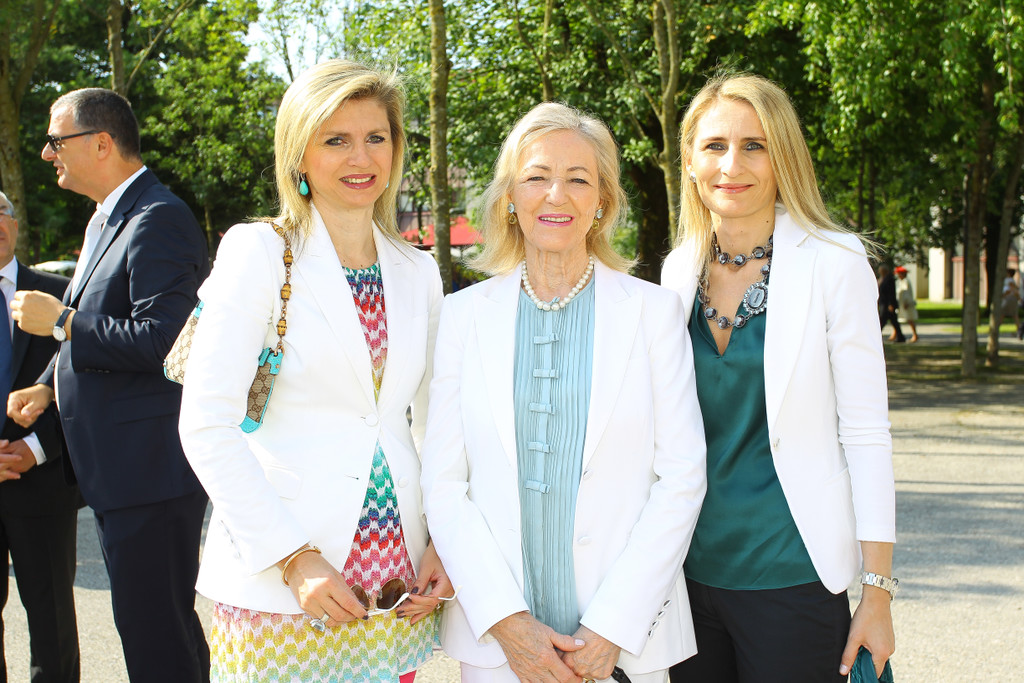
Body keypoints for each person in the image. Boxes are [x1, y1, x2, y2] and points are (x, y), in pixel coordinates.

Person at [177, 60, 452, 681]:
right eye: (336, 140)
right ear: (299, 153)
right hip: (287, 574)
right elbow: (206, 424)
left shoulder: (418, 270)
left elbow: (436, 424)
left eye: (376, 137)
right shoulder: (258, 251)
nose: (361, 157)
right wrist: (293, 557)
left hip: (394, 575)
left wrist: (444, 541)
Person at [421, 102, 707, 683]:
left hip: (623, 648)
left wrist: (613, 628)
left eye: (578, 179)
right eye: (536, 177)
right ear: (509, 196)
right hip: (499, 648)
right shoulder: (462, 316)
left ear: (602, 201)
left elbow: (682, 478)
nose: (557, 195)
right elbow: (444, 484)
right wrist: (508, 625)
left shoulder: (655, 313)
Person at [661, 73, 896, 682]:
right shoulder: (675, 273)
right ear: (689, 161)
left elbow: (866, 433)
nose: (731, 165)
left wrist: (877, 592)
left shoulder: (835, 262)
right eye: (714, 146)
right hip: (684, 578)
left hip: (793, 573)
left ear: (782, 156)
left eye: (754, 146)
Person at [8, 88, 211, 680]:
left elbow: (164, 341)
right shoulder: (110, 217)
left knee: (157, 640)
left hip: (149, 473)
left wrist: (62, 321)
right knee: (155, 632)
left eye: (55, 140)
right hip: (121, 472)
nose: (46, 153)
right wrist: (47, 385)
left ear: (101, 143)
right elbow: (104, 323)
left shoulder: (158, 217)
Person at [0, 191, 83, 682]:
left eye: (1, 213)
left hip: (44, 483)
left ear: (14, 225)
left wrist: (35, 449)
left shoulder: (60, 295)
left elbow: (83, 378)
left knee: (52, 622)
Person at [877, 264, 905, 343]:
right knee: (893, 321)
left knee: (883, 320)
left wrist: (891, 304)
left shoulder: (889, 279)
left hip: (887, 304)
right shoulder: (882, 279)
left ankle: (876, 335)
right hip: (883, 303)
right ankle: (900, 337)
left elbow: (891, 293)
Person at [894, 266, 918, 342]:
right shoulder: (902, 281)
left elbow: (906, 293)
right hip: (902, 303)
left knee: (909, 319)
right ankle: (895, 334)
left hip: (906, 303)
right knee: (898, 319)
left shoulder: (905, 281)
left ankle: (915, 334)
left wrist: (906, 302)